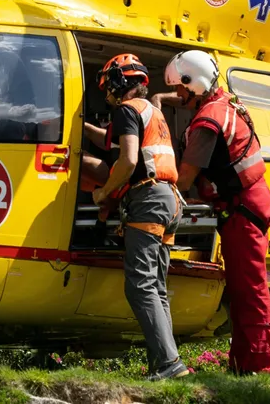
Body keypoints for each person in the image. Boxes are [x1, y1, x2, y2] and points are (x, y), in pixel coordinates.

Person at [158, 50, 270, 375]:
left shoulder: (208, 121)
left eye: (181, 89)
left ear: (193, 83)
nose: (179, 96)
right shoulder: (225, 102)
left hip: (243, 212)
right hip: (246, 206)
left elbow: (183, 179)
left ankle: (261, 369)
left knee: (250, 292)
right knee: (243, 291)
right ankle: (243, 367)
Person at [82, 53, 189, 381]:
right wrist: (78, 127)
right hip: (169, 202)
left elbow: (127, 161)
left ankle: (170, 365)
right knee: (155, 286)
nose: (108, 93)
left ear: (119, 83)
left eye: (109, 86)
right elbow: (114, 140)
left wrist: (103, 193)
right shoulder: (150, 111)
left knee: (140, 285)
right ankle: (166, 364)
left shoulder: (127, 111)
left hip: (148, 201)